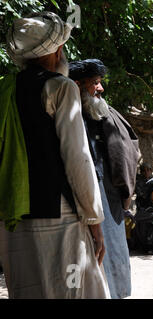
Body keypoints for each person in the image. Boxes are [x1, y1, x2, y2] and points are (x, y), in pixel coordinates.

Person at [0, 12, 110, 298]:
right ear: (56, 50)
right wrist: (95, 220)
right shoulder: (61, 87)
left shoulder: (5, 89)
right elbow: (78, 159)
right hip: (58, 215)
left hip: (12, 215)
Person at [69, 59, 140, 299]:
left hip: (110, 202)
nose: (100, 89)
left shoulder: (100, 115)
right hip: (86, 202)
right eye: (95, 83)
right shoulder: (71, 122)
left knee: (115, 262)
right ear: (77, 85)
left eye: (100, 83)